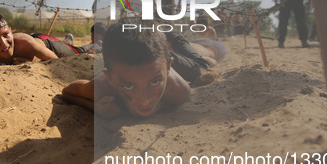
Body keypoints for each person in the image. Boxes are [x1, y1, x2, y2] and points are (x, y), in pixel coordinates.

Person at [62, 17, 220, 118]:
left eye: (154, 82)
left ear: (167, 68)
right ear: (109, 78)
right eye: (129, 85)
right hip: (156, 55)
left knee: (205, 66)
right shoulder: (104, 85)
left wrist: (160, 106)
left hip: (167, 52)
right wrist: (95, 107)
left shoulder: (179, 91)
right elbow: (67, 92)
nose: (144, 101)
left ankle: (178, 38)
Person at [0, 10, 95, 66]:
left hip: (47, 44)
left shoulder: (26, 44)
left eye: (5, 34)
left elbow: (55, 59)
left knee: (77, 51)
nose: (3, 43)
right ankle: (67, 40)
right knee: (66, 44)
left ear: (11, 31)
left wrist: (32, 63)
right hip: (36, 42)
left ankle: (95, 44)